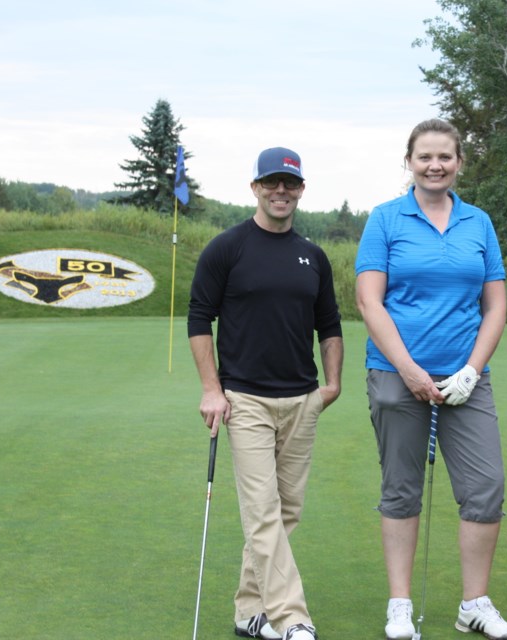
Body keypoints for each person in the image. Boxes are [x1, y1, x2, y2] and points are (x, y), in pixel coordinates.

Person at [355, 118, 507, 640]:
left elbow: (495, 305)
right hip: (396, 376)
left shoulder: (478, 222)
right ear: (409, 161)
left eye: (445, 156)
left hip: (467, 380)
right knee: (401, 491)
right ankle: (399, 605)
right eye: (425, 156)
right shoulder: (386, 219)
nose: (435, 165)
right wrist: (408, 369)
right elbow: (368, 301)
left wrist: (472, 369)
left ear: (459, 163)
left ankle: (475, 603)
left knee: (485, 489)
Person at [187, 147, 344, 640]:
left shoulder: (312, 255)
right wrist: (212, 390)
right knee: (262, 510)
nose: (281, 191)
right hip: (245, 400)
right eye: (272, 183)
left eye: (290, 184)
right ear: (255, 187)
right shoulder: (227, 248)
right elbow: (198, 319)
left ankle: (249, 612)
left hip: (301, 399)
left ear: (301, 189)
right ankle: (292, 618)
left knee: (286, 511)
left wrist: (332, 384)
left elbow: (330, 325)